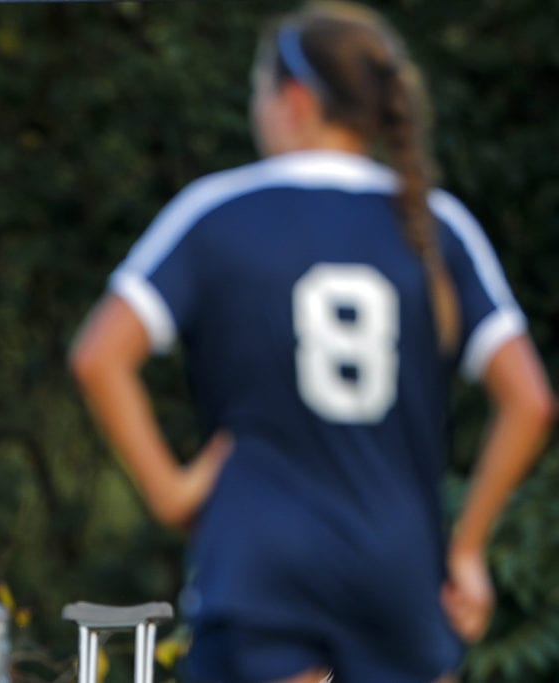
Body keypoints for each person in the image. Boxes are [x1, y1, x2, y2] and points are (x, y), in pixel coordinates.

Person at [69, 3, 554, 682]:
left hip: (259, 563)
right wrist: (467, 546)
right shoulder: (435, 224)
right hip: (395, 565)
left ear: (293, 100)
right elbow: (529, 400)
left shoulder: (218, 212)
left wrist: (171, 492)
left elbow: (100, 355)